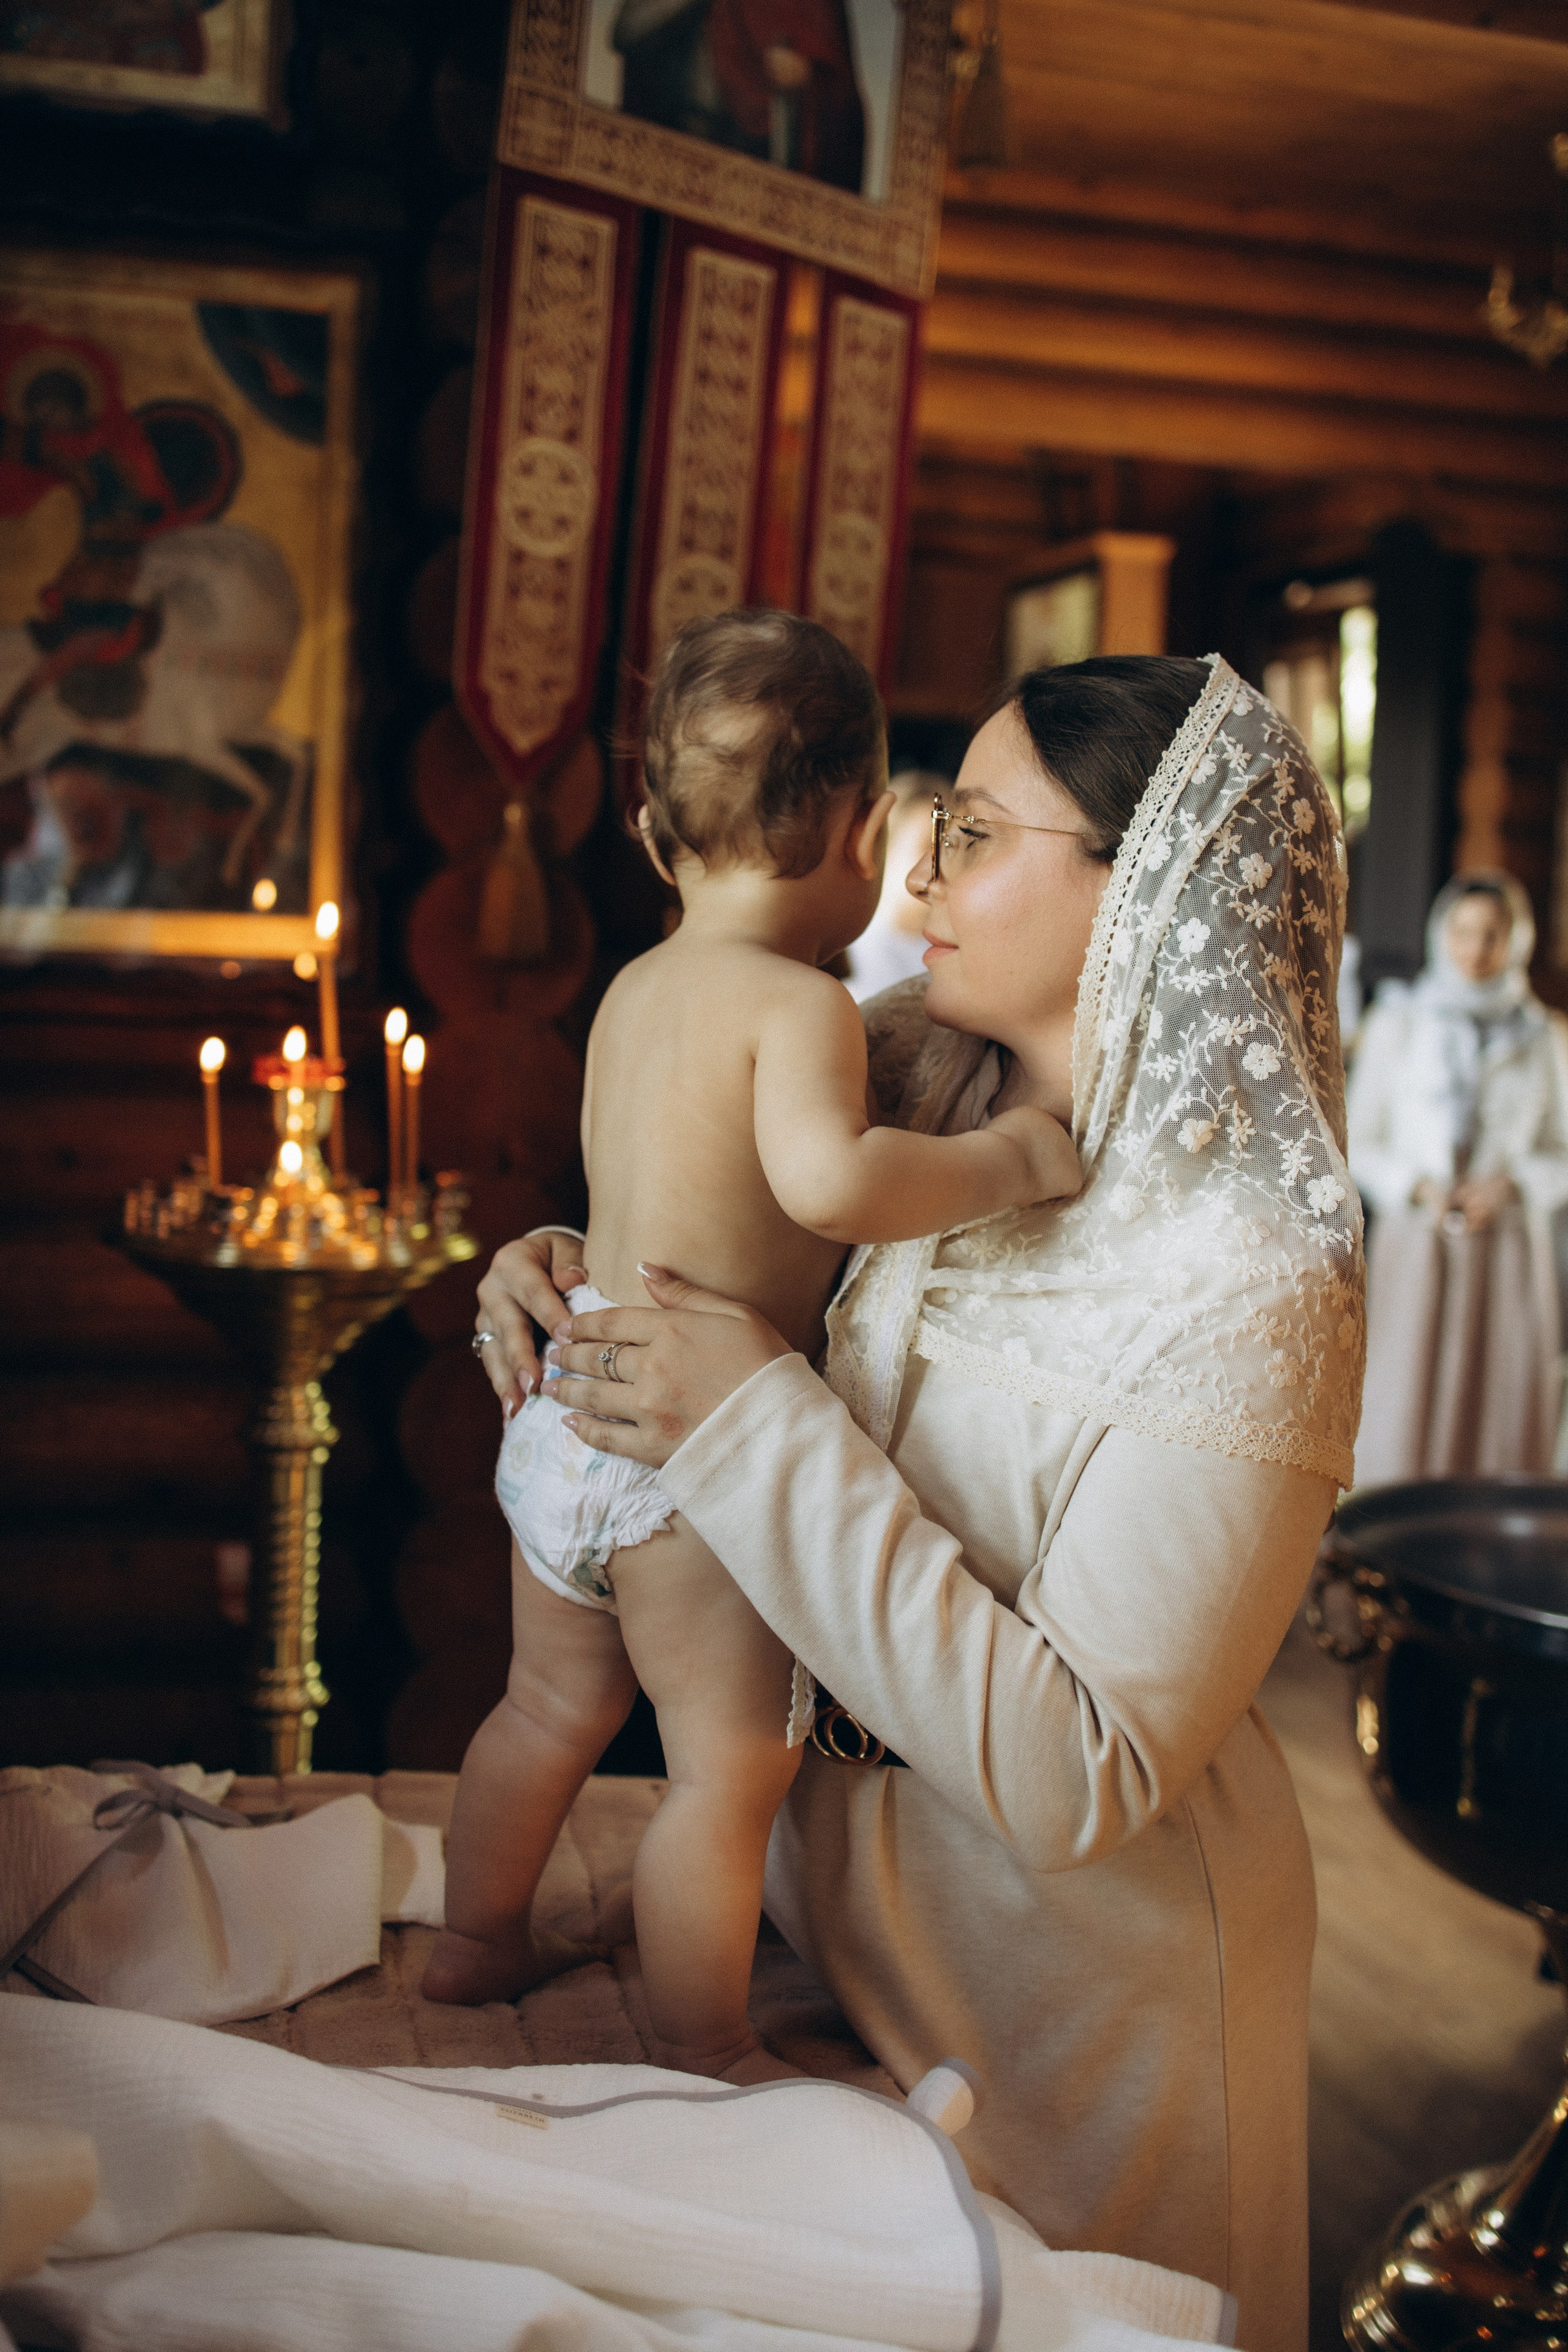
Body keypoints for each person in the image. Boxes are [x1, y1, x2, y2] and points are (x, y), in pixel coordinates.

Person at [472, 650, 1364, 2352]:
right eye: (927, 823)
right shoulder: (893, 1071)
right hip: (809, 1963)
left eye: (970, 829)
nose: (919, 874)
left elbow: (1082, 1773)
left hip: (1071, 2038)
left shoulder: (1259, 1273)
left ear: (1146, 891)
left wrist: (736, 1415)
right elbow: (697, 1223)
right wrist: (561, 1278)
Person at [426, 611, 1079, 2083]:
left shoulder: (633, 992)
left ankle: (469, 1942)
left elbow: (621, 1191)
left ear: (656, 834)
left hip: (563, 1407)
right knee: (723, 1768)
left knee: (542, 1706)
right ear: (859, 829)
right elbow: (832, 1185)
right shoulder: (803, 1011)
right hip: (687, 1445)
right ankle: (700, 2031)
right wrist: (1015, 1163)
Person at [1348, 871, 1568, 1482]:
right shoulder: (1400, 1023)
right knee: (1404, 1400)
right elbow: (1360, 1141)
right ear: (1441, 936)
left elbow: (1560, 1151)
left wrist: (1510, 1187)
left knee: (1494, 1408)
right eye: (1464, 932)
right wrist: (1419, 1188)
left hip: (1507, 1256)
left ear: (1515, 943)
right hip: (1419, 1246)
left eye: (1492, 935)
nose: (1476, 949)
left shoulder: (1542, 1036)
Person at [844, 766, 941, 1003]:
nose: (940, 866)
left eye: (948, 848)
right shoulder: (846, 953)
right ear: (883, 849)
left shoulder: (952, 952)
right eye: (925, 848)